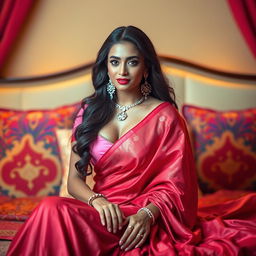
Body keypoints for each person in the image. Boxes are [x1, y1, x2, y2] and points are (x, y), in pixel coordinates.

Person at [7, 26, 256, 256]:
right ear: (107, 67)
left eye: (132, 62)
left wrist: (147, 215)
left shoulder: (166, 117)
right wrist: (98, 201)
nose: (123, 71)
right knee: (51, 208)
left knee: (52, 211)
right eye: (115, 62)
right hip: (104, 212)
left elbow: (177, 188)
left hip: (141, 215)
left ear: (146, 68)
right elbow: (74, 181)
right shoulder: (90, 111)